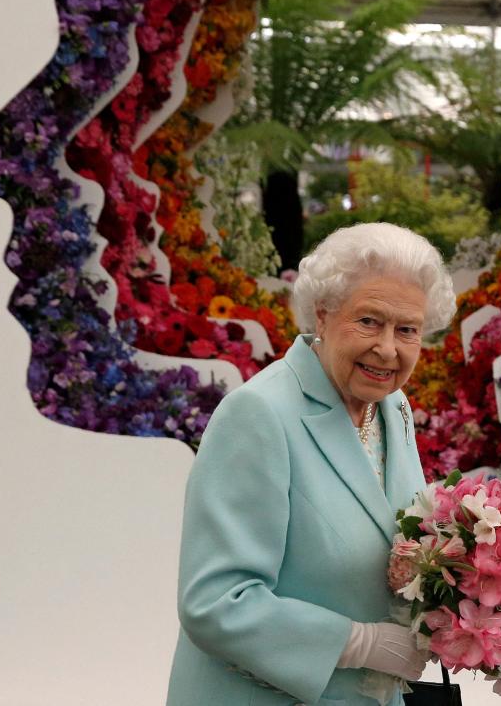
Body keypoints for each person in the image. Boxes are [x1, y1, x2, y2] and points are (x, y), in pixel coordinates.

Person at [166, 222, 457, 706]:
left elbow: (399, 536)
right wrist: (358, 643)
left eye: (407, 330)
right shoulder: (259, 415)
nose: (387, 349)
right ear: (321, 316)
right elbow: (214, 603)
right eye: (369, 321)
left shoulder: (392, 407)